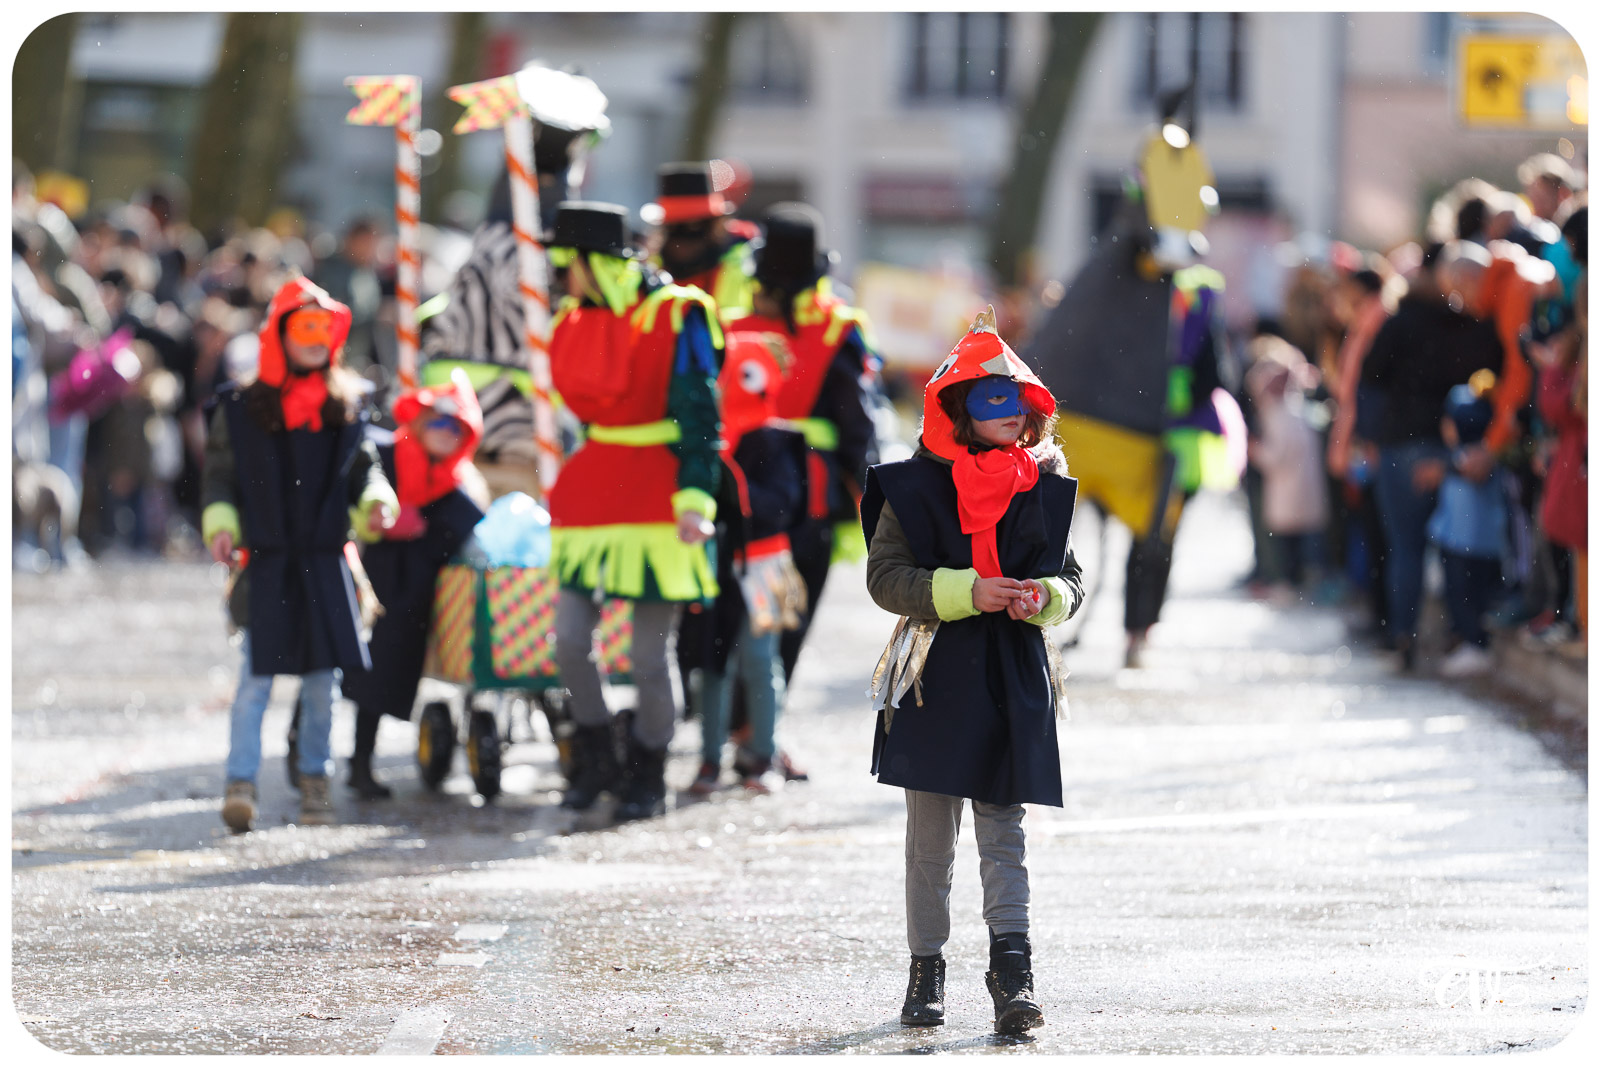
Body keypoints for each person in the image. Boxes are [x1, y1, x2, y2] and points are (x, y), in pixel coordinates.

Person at [861, 308, 1083, 1035]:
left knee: (1004, 827)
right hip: (933, 673)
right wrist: (963, 591)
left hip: (1011, 672)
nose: (1008, 413)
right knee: (930, 836)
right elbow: (886, 576)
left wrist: (1045, 597)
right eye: (989, 398)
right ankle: (926, 969)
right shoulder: (912, 486)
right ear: (955, 407)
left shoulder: (1045, 484)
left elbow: (1071, 577)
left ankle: (1012, 976)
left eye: (1017, 400)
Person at [543, 201, 723, 822]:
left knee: (649, 654)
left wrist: (696, 498)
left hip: (659, 494)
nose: (559, 277)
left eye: (565, 264)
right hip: (593, 486)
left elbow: (702, 415)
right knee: (568, 641)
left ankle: (648, 766)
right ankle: (596, 753)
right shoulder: (570, 318)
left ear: (591, 264)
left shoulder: (681, 314)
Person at [202, 276, 398, 831]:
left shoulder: (347, 406)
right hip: (266, 561)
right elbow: (219, 476)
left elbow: (366, 472)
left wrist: (377, 502)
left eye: (324, 327)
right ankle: (240, 783)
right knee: (254, 682)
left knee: (322, 683)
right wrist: (221, 523)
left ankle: (316, 780)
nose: (315, 338)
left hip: (326, 560)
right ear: (279, 335)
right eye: (303, 327)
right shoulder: (241, 408)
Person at [723, 203, 880, 777]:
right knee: (787, 622)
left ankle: (734, 729)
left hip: (733, 498)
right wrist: (873, 501)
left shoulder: (730, 329)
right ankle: (759, 735)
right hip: (806, 502)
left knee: (731, 620)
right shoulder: (840, 331)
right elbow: (857, 426)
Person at [336, 370, 488, 798]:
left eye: (456, 426)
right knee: (346, 671)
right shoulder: (383, 454)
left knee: (385, 678)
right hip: (371, 582)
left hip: (414, 598)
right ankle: (324, 756)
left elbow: (469, 536)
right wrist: (378, 522)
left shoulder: (457, 487)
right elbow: (345, 494)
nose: (446, 433)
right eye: (439, 422)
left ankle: (361, 763)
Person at [1360, 243, 1501, 669]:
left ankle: (1403, 636)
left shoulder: (1399, 322)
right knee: (1455, 545)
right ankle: (1462, 634)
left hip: (1399, 445)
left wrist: (1370, 437)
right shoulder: (1465, 323)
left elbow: (1370, 383)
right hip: (1449, 444)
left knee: (1404, 548)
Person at [689, 332, 809, 796]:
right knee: (713, 663)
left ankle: (763, 753)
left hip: (765, 564)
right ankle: (708, 759)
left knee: (760, 661)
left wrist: (732, 485)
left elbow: (782, 504)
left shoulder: (776, 439)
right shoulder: (707, 439)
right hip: (716, 563)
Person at [1422, 373, 1509, 677]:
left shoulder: (1472, 461)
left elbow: (1468, 472)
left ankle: (1476, 644)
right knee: (1466, 595)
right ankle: (1466, 640)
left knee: (1466, 595)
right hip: (1472, 541)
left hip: (1467, 544)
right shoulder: (1467, 458)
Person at [1245, 336, 1329, 596]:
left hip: (1287, 488)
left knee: (1285, 542)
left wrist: (1254, 449)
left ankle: (1285, 581)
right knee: (1302, 539)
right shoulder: (1299, 410)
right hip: (1299, 487)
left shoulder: (1279, 415)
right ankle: (1297, 577)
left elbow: (1275, 456)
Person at [644, 161, 757, 315]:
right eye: (674, 228)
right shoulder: (650, 271)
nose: (683, 240)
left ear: (715, 227)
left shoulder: (741, 270)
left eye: (694, 226)